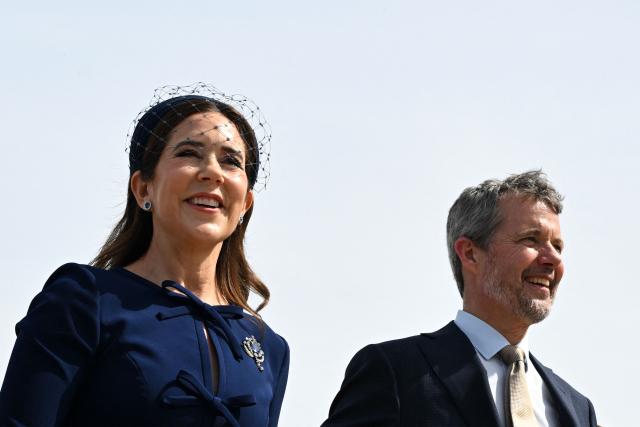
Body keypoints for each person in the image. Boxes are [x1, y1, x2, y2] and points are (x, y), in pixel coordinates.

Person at [0, 86, 289, 427]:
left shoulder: (270, 348)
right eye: (188, 153)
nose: (212, 172)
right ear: (143, 188)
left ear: (245, 204)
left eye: (230, 161)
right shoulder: (85, 301)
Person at [322, 170, 598, 427]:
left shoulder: (579, 410)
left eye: (557, 246)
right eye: (531, 240)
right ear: (470, 253)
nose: (552, 259)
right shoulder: (395, 371)